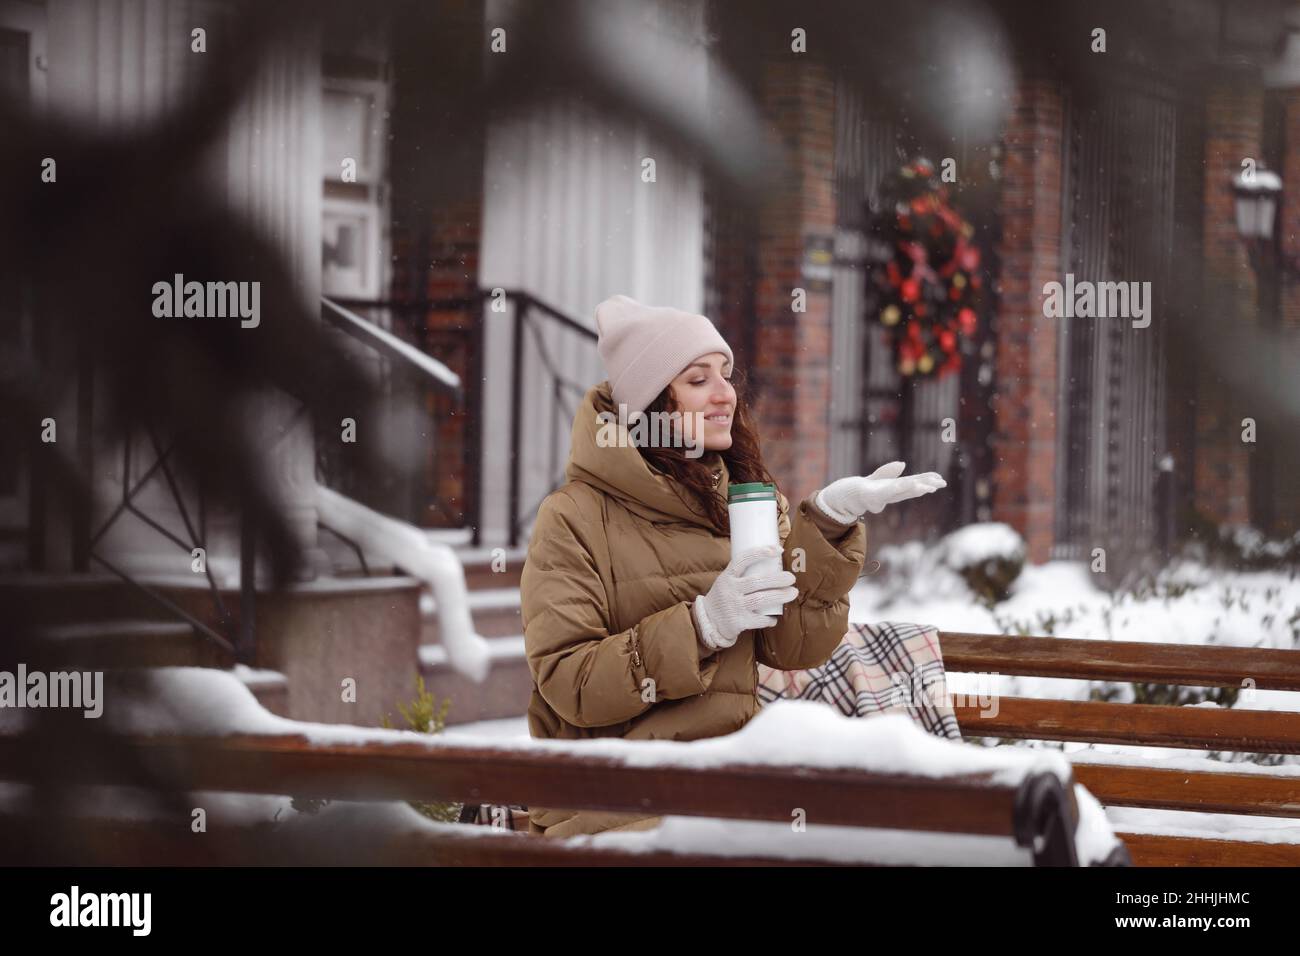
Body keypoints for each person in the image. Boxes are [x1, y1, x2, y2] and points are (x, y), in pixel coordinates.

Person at [520, 294, 946, 837]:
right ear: (651, 404)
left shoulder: (741, 499)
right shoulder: (573, 518)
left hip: (729, 781)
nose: (726, 394)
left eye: (726, 375)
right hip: (615, 797)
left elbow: (793, 647)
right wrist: (700, 627)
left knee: (880, 826)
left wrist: (830, 523)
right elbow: (569, 682)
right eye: (698, 380)